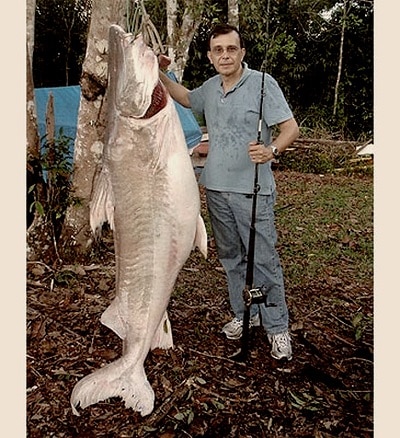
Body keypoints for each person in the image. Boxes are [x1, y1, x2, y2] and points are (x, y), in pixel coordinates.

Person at [159, 23, 299, 361]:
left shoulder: (263, 84)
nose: (225, 55)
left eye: (231, 49)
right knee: (231, 259)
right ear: (210, 56)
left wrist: (272, 151)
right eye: (218, 50)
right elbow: (184, 97)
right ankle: (245, 314)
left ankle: (277, 328)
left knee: (263, 260)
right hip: (215, 189)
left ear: (241, 53)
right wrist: (160, 73)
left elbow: (290, 127)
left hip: (253, 192)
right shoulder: (210, 88)